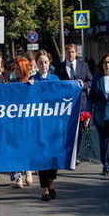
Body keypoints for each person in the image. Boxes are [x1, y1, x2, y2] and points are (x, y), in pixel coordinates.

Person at [30, 51, 60, 201]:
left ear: (49, 63)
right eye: (40, 63)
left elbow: (63, 94)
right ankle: (44, 189)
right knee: (42, 156)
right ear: (36, 64)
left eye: (46, 62)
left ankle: (52, 183)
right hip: (39, 125)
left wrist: (77, 84)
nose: (43, 65)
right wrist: (27, 87)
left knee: (53, 156)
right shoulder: (32, 80)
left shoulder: (55, 79)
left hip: (53, 125)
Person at [55, 43, 93, 163]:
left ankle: (75, 155)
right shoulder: (60, 67)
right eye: (68, 52)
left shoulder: (83, 65)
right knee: (66, 131)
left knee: (80, 131)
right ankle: (67, 153)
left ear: (76, 53)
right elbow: (56, 85)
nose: (70, 54)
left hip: (80, 103)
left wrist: (83, 85)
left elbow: (90, 81)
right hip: (65, 105)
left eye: (72, 52)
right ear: (65, 53)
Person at [9, 57, 33, 188]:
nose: (16, 71)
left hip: (28, 122)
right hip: (14, 122)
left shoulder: (32, 83)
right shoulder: (12, 83)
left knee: (27, 146)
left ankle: (28, 170)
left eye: (18, 69)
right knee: (15, 148)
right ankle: (18, 176)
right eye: (15, 69)